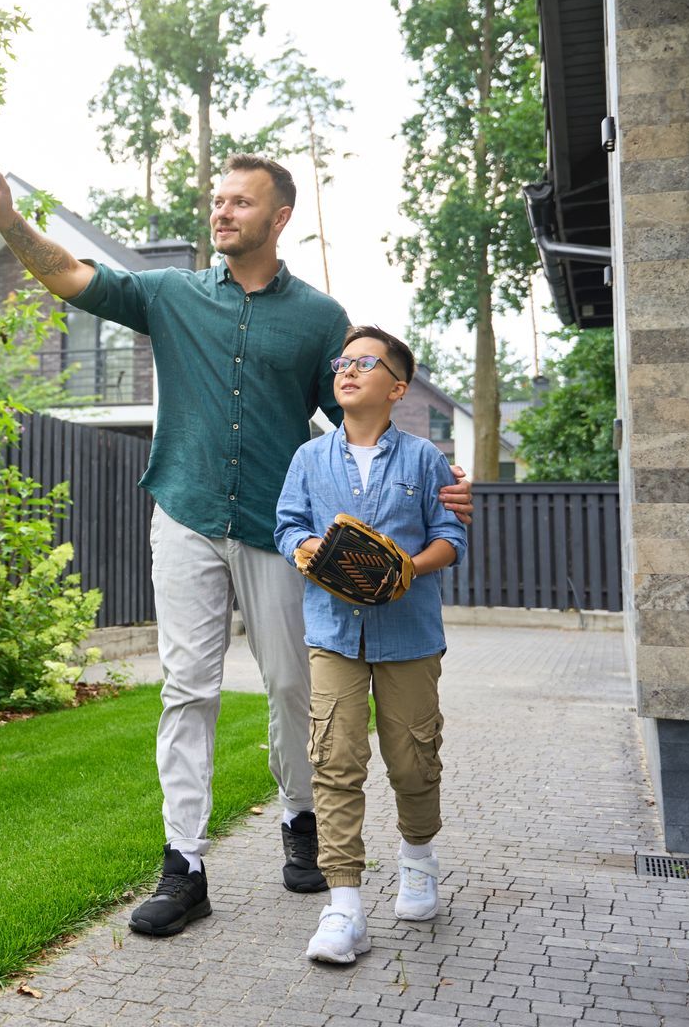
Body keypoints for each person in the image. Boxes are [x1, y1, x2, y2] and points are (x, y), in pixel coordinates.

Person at [0, 152, 471, 938]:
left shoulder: (320, 320)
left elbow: (361, 416)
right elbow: (71, 277)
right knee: (187, 688)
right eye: (216, 200)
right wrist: (9, 221)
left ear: (279, 217)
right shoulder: (171, 295)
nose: (221, 212)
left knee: (295, 686)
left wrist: (435, 482)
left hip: (278, 529)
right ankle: (183, 865)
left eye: (239, 203)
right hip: (185, 514)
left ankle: (300, 816)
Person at [274, 325, 466, 964]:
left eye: (366, 362)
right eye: (343, 361)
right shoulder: (308, 459)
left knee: (412, 758)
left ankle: (417, 859)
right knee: (335, 758)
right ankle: (344, 904)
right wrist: (305, 550)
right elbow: (288, 525)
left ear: (398, 387)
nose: (348, 370)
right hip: (333, 634)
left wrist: (411, 567)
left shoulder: (425, 459)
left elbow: (451, 537)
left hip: (410, 633)